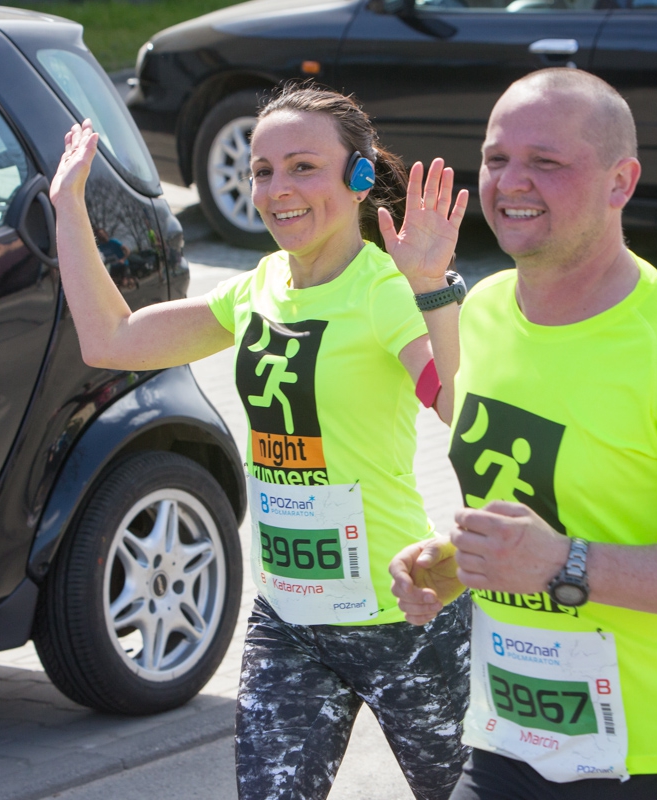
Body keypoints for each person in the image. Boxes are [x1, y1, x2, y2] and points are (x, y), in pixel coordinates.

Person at [50, 84, 472, 800]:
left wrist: (432, 289)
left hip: (401, 616)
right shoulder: (257, 289)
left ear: (360, 176)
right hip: (288, 617)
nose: (278, 189)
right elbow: (110, 338)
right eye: (262, 170)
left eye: (304, 166)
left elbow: (456, 409)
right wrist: (67, 209)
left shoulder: (384, 291)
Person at [390, 68, 657, 799]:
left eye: (547, 162)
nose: (512, 182)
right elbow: (543, 506)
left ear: (621, 181)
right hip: (509, 738)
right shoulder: (477, 312)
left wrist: (563, 565)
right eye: (499, 157)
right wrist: (457, 563)